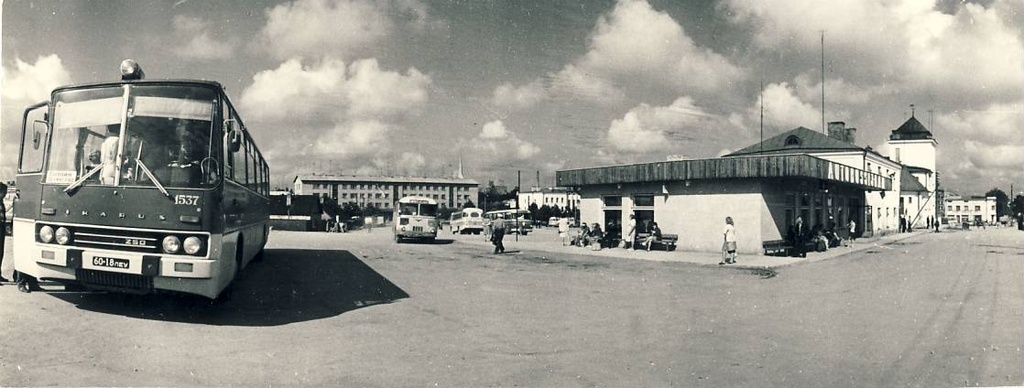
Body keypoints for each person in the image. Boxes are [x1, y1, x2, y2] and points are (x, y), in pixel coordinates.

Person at [0, 182, 8, 283]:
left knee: (1, 252)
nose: (5, 195)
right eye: (3, 192)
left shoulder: (1, 202)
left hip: (1, 227)